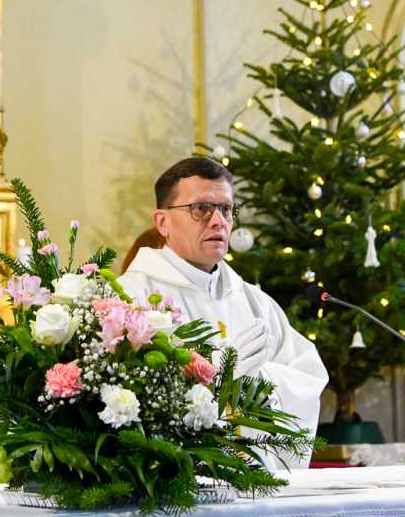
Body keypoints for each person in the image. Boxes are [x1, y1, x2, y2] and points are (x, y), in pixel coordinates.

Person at [117, 157, 328, 468]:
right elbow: (124, 394)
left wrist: (259, 377)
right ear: (162, 222)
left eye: (226, 210)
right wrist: (222, 370)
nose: (218, 221)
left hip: (256, 488)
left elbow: (308, 375)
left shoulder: (254, 302)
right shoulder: (130, 297)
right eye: (201, 208)